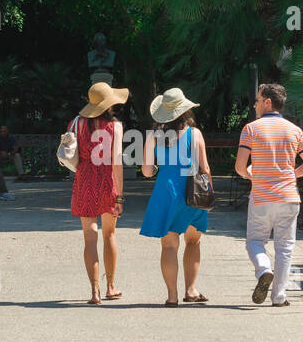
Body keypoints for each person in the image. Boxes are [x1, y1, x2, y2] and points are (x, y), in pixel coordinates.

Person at [235, 83, 303, 307]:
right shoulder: (295, 130)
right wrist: (291, 176)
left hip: (262, 197)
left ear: (268, 102)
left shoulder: (251, 129)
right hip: (289, 196)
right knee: (285, 247)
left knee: (254, 241)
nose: (255, 104)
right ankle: (279, 296)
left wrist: (252, 175)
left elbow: (240, 167)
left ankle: (263, 269)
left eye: (258, 99)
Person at [140, 88, 211, 306]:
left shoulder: (153, 135)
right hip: (191, 192)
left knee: (169, 246)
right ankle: (190, 290)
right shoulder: (195, 133)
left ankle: (172, 296)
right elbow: (204, 167)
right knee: (193, 241)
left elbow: (147, 171)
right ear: (185, 110)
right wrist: (209, 195)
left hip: (165, 192)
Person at [69, 82, 128, 304]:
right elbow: (117, 163)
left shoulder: (77, 124)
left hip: (84, 181)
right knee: (109, 235)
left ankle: (94, 292)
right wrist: (120, 196)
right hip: (107, 183)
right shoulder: (116, 127)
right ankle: (110, 287)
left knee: (89, 238)